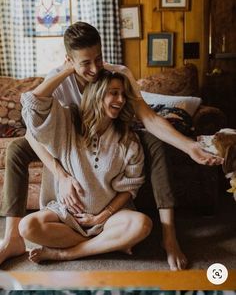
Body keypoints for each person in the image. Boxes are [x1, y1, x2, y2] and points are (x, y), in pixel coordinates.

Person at [0, 22, 223, 270]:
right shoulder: (59, 81)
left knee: (156, 146)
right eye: (85, 63)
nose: (95, 68)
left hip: (116, 129)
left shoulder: (116, 73)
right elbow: (32, 126)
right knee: (16, 149)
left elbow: (148, 118)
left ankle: (169, 237)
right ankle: (13, 239)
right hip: (69, 134)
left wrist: (189, 146)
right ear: (69, 60)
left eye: (99, 58)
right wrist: (60, 174)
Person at [18, 69, 152, 262]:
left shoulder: (128, 141)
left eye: (123, 94)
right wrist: (68, 69)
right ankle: (105, 244)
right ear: (97, 93)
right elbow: (33, 104)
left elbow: (130, 189)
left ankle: (68, 253)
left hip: (108, 219)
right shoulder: (68, 123)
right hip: (67, 216)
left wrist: (101, 217)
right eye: (114, 92)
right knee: (27, 227)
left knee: (142, 225)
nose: (121, 100)